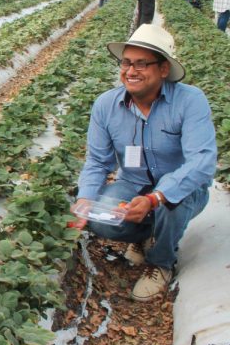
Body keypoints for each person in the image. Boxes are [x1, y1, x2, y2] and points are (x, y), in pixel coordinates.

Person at [72, 25, 216, 302]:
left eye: (142, 63)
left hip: (182, 190)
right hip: (133, 183)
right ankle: (145, 235)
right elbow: (97, 162)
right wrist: (85, 201)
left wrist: (154, 199)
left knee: (172, 201)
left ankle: (161, 263)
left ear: (163, 69)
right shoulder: (106, 105)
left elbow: (202, 160)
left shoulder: (190, 101)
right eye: (126, 62)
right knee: (101, 220)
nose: (130, 71)